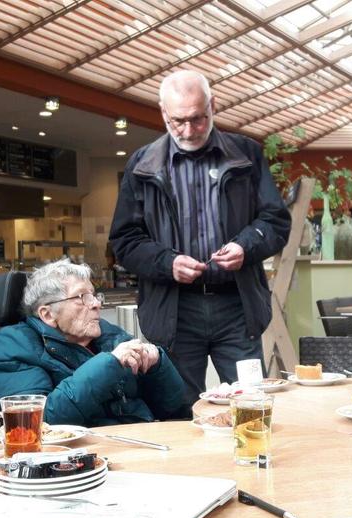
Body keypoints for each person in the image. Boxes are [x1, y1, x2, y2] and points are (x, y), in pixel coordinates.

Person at [108, 70, 291, 411]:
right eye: (178, 121)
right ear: (163, 113)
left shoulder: (247, 155)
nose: (189, 130)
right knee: (178, 412)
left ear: (213, 107)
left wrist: (246, 246)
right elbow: (125, 240)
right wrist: (167, 263)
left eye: (198, 119)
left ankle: (253, 464)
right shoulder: (141, 164)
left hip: (237, 306)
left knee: (252, 406)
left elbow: (276, 221)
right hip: (175, 311)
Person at [0, 259, 184, 427]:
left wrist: (158, 366)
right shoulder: (12, 345)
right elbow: (38, 424)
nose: (97, 304)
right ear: (47, 314)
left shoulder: (108, 334)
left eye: (94, 295)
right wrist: (109, 364)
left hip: (145, 439)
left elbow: (175, 409)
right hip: (79, 458)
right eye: (82, 297)